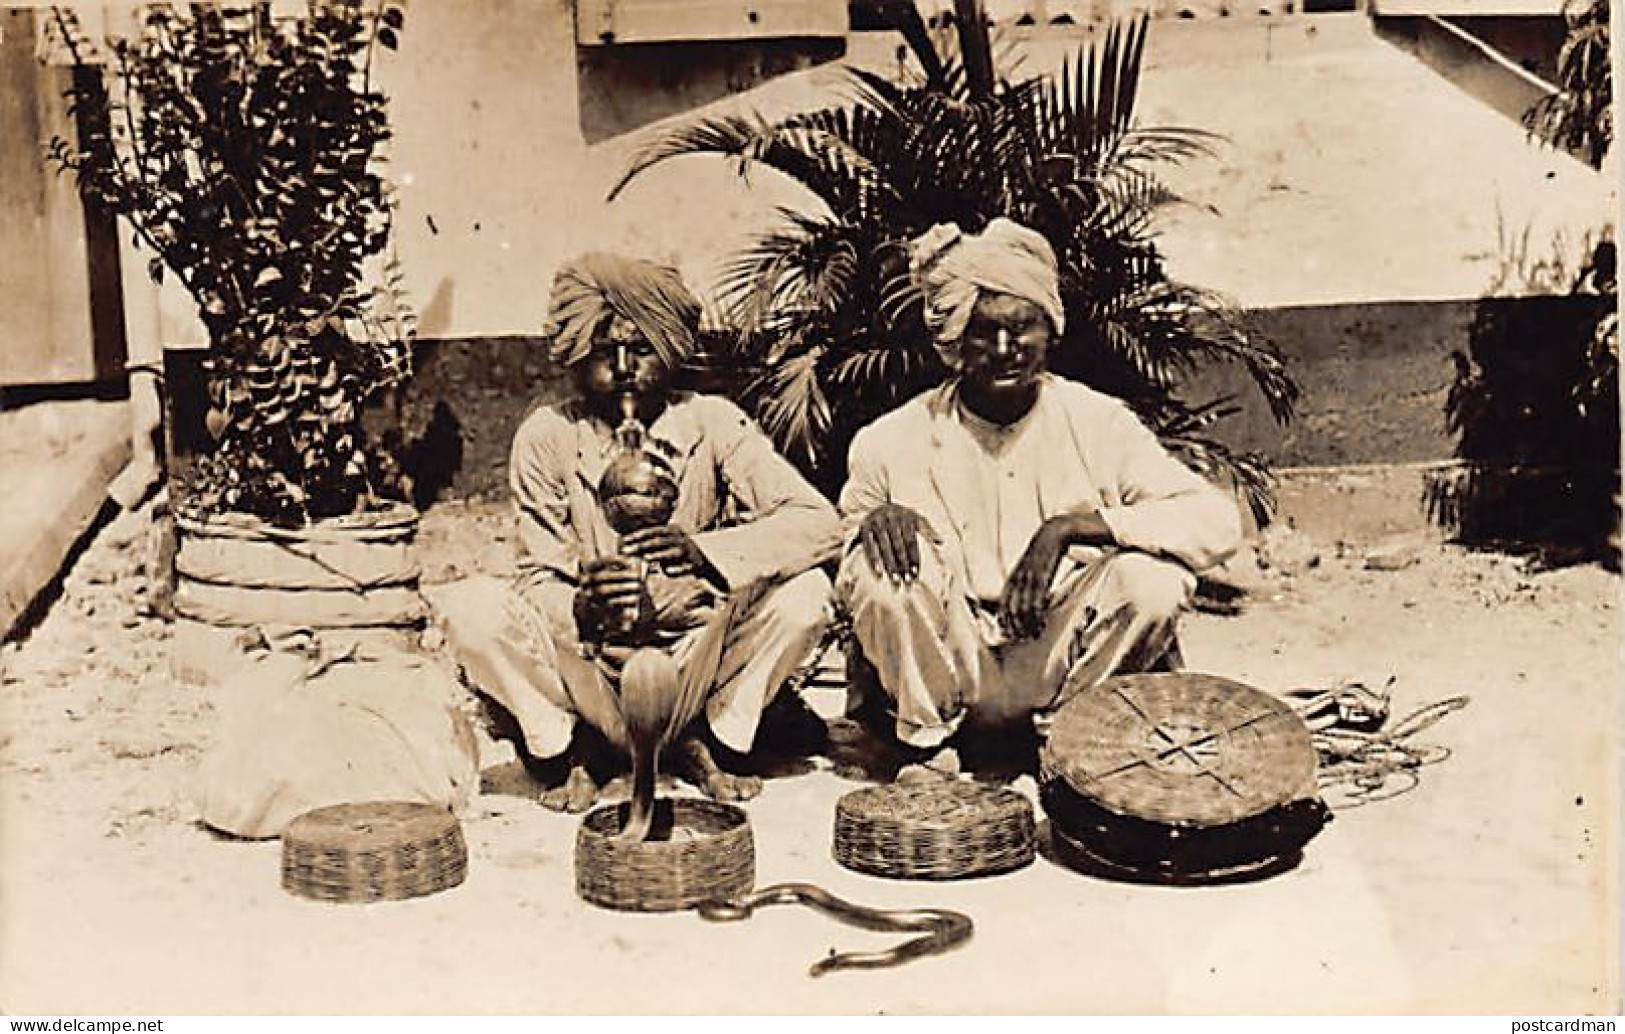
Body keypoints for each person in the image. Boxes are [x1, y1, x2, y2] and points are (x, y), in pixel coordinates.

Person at [835, 219, 1244, 779]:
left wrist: (1072, 527)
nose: (1005, 350)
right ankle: (932, 752)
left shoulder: (1096, 422)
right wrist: (872, 523)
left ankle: (1070, 740)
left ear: (1049, 330)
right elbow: (842, 565)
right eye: (983, 332)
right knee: (881, 567)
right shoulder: (891, 440)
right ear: (954, 342)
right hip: (952, 664)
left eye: (1022, 328)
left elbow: (1217, 522)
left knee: (1154, 580)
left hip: (1054, 658)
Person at [439, 253, 841, 811]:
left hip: (692, 661)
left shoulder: (714, 421)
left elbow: (819, 523)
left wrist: (703, 555)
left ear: (671, 349)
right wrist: (583, 606)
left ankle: (711, 739)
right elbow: (537, 574)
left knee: (807, 594)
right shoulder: (548, 435)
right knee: (470, 608)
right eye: (605, 353)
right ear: (577, 358)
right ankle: (575, 747)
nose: (625, 367)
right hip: (592, 667)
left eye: (642, 348)